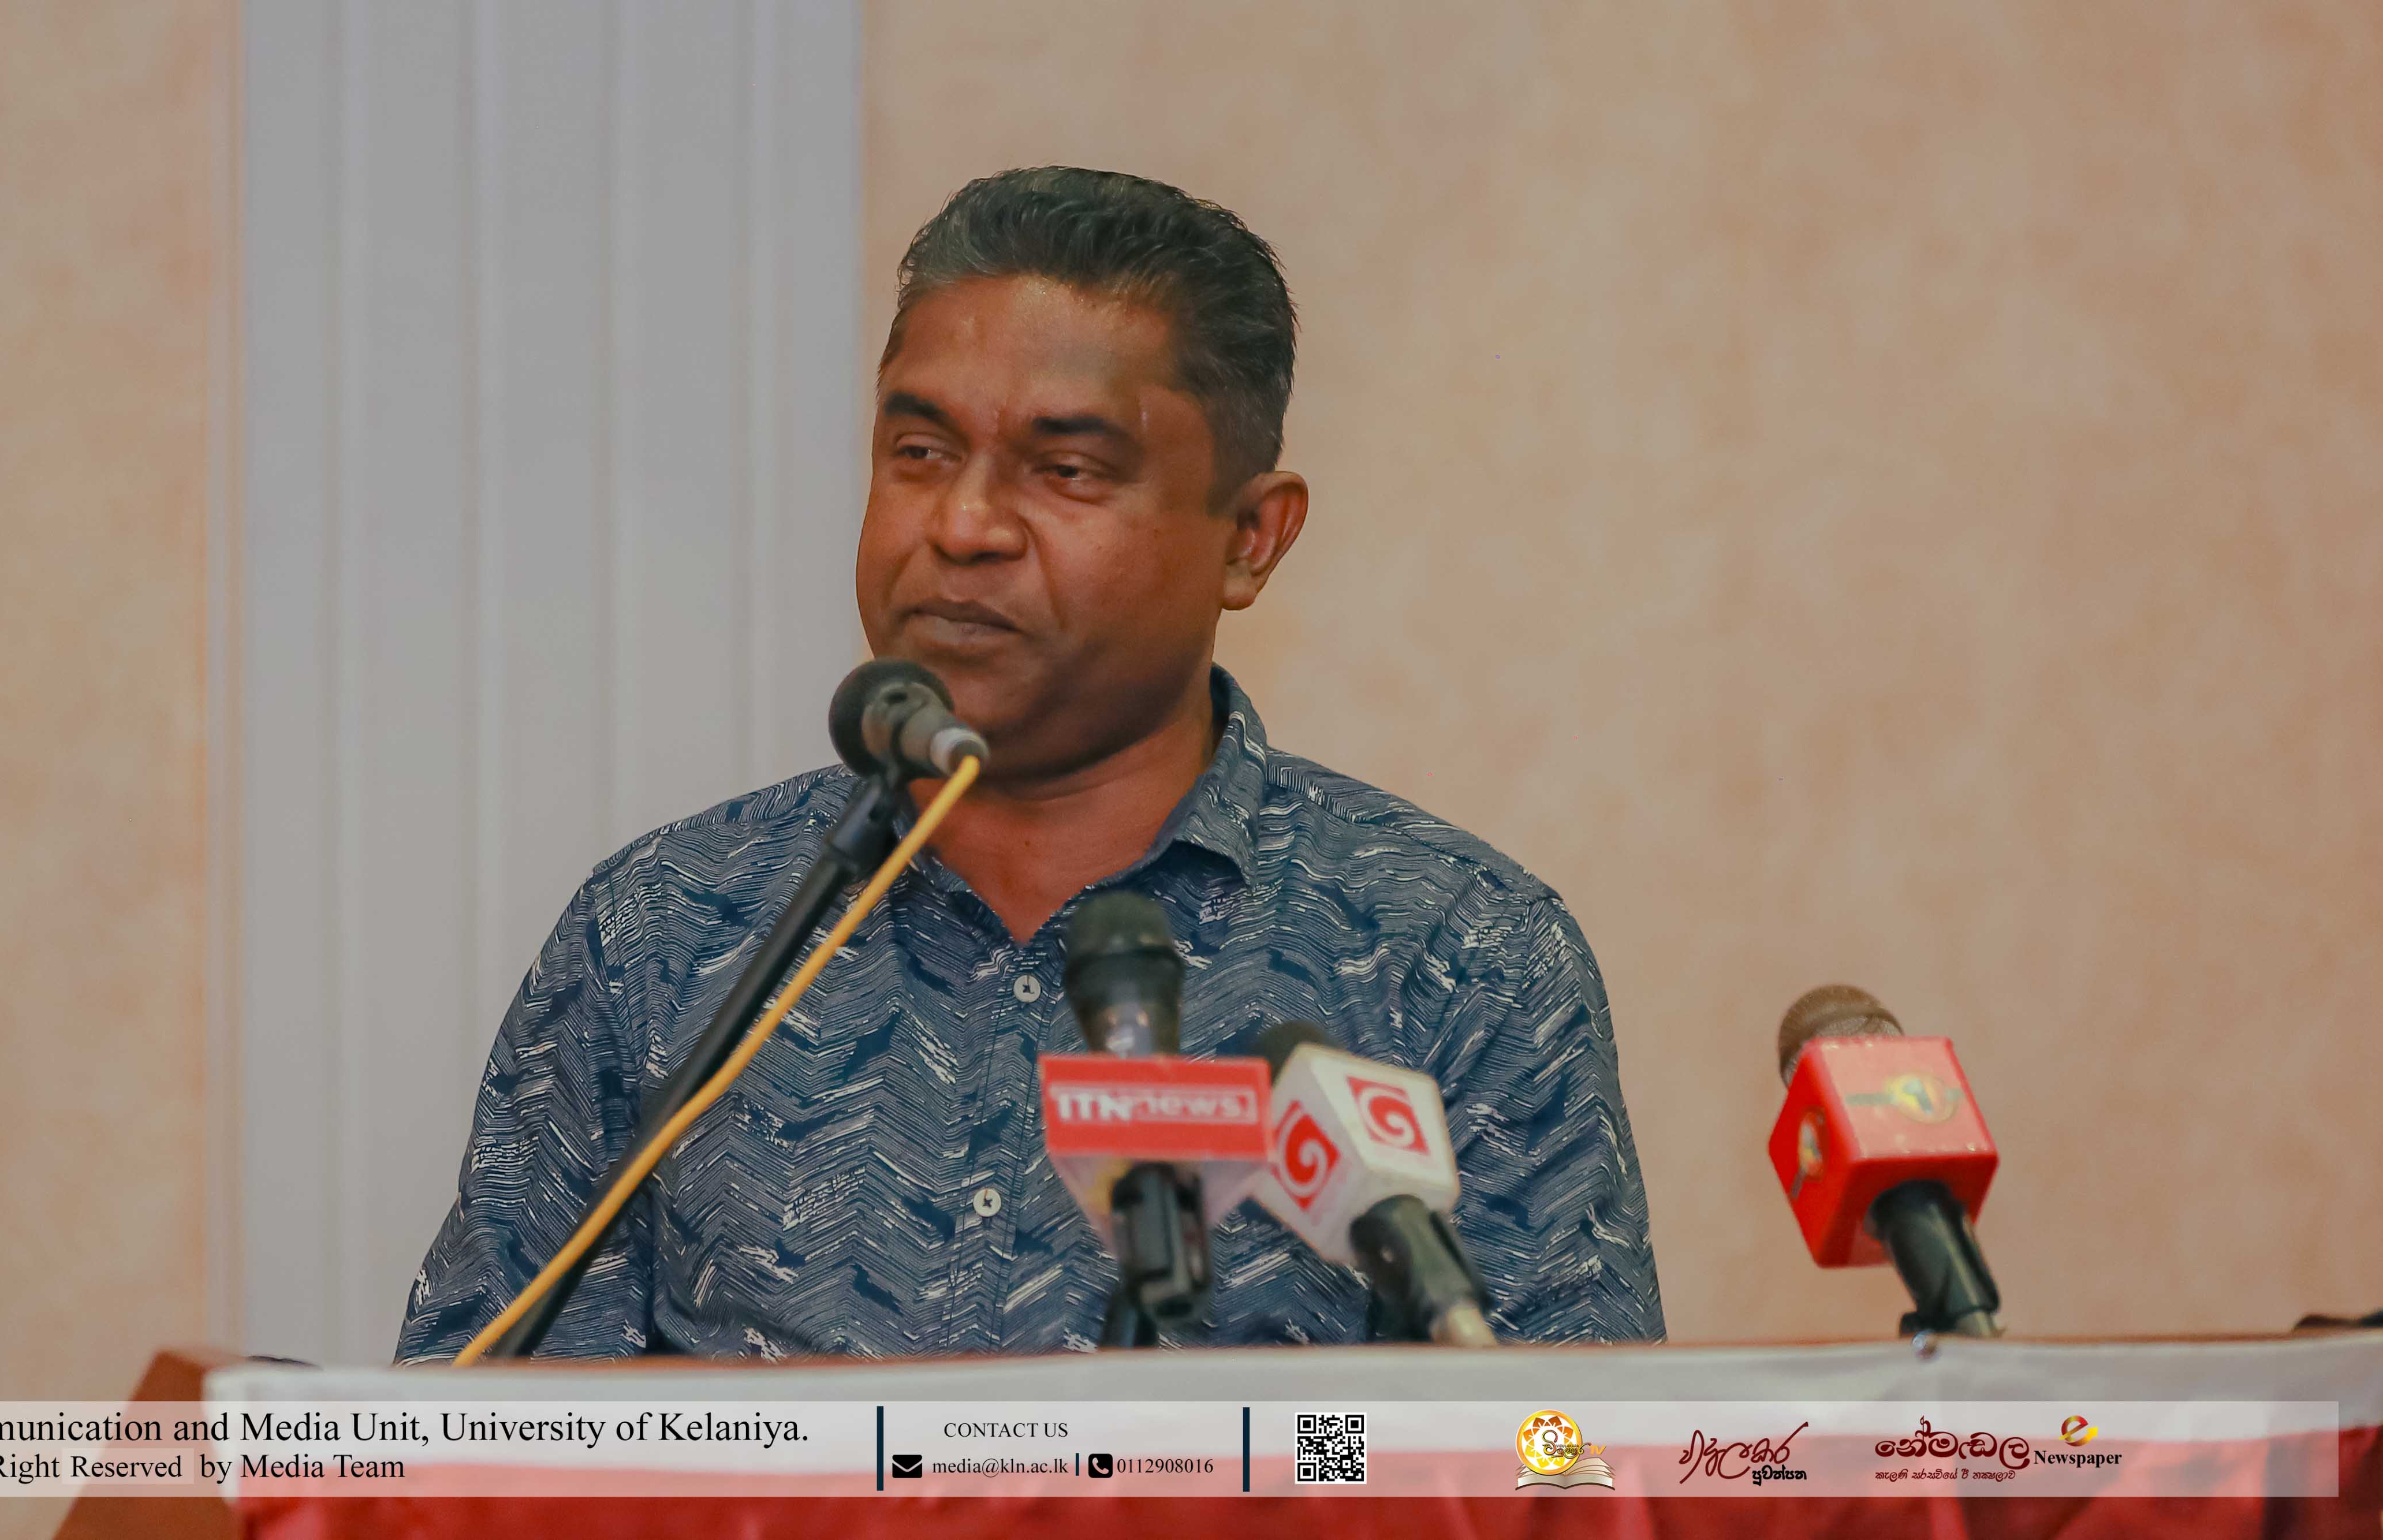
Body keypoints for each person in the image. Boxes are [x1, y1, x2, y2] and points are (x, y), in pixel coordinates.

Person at [397, 167, 1663, 1358]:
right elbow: (463, 1444)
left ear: (1250, 538)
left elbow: (1573, 1459)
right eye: (920, 454)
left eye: (1066, 470)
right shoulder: (669, 930)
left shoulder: (1453, 954)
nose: (962, 526)